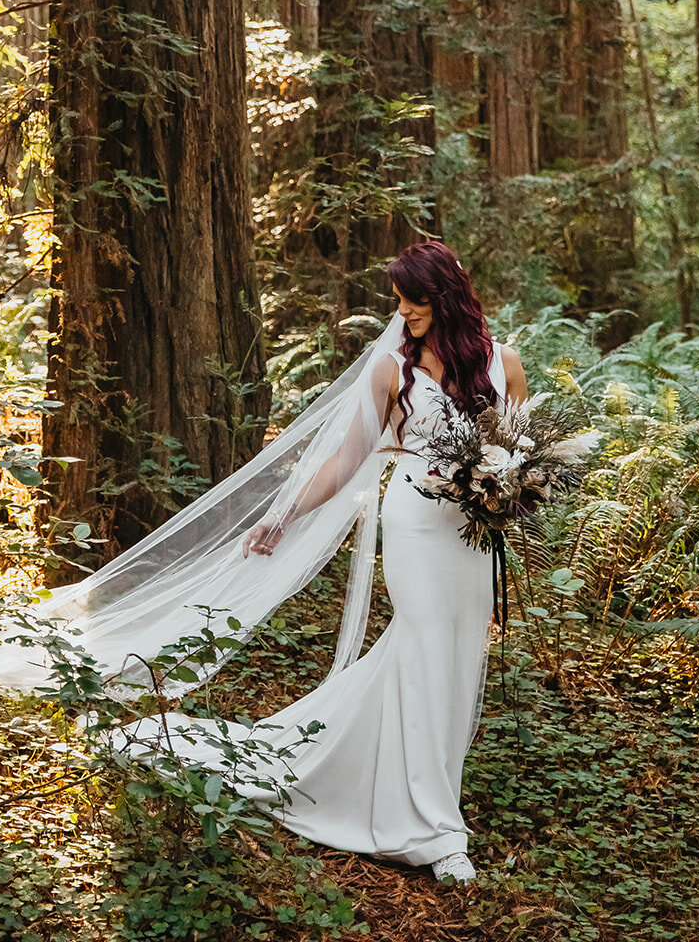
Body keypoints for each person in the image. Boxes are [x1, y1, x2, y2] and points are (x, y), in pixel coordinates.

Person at [122, 241, 527, 887]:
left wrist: (512, 490)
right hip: (418, 527)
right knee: (423, 646)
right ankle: (433, 827)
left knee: (452, 659)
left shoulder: (505, 364)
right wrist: (282, 515)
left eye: (410, 300)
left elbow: (518, 450)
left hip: (472, 537)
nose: (401, 312)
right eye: (397, 300)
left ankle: (404, 779)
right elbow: (345, 461)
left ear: (442, 298)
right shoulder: (393, 371)